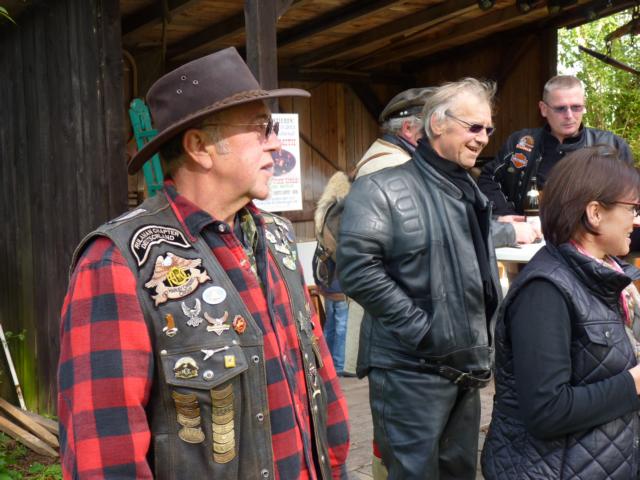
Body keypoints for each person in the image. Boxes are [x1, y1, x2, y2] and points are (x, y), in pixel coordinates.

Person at [57, 47, 349, 479]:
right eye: (261, 128)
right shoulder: (117, 262)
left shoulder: (278, 237)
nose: (276, 142)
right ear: (200, 147)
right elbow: (105, 454)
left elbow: (319, 375)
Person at [338, 78, 501, 480]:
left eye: (488, 129)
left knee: (459, 472)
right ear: (437, 124)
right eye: (473, 126)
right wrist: (424, 332)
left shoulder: (467, 189)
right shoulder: (381, 186)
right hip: (409, 370)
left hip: (464, 367)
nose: (483, 138)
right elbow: (358, 271)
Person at [481, 146, 640, 479]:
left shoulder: (605, 279)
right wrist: (633, 383)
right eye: (632, 208)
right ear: (595, 213)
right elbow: (547, 411)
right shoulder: (546, 291)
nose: (637, 220)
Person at [478, 74, 634, 217]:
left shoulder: (612, 146)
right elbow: (488, 178)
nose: (569, 115)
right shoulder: (521, 142)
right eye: (560, 108)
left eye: (576, 107)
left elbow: (630, 195)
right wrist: (506, 215)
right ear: (544, 109)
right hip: (531, 233)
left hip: (592, 235)